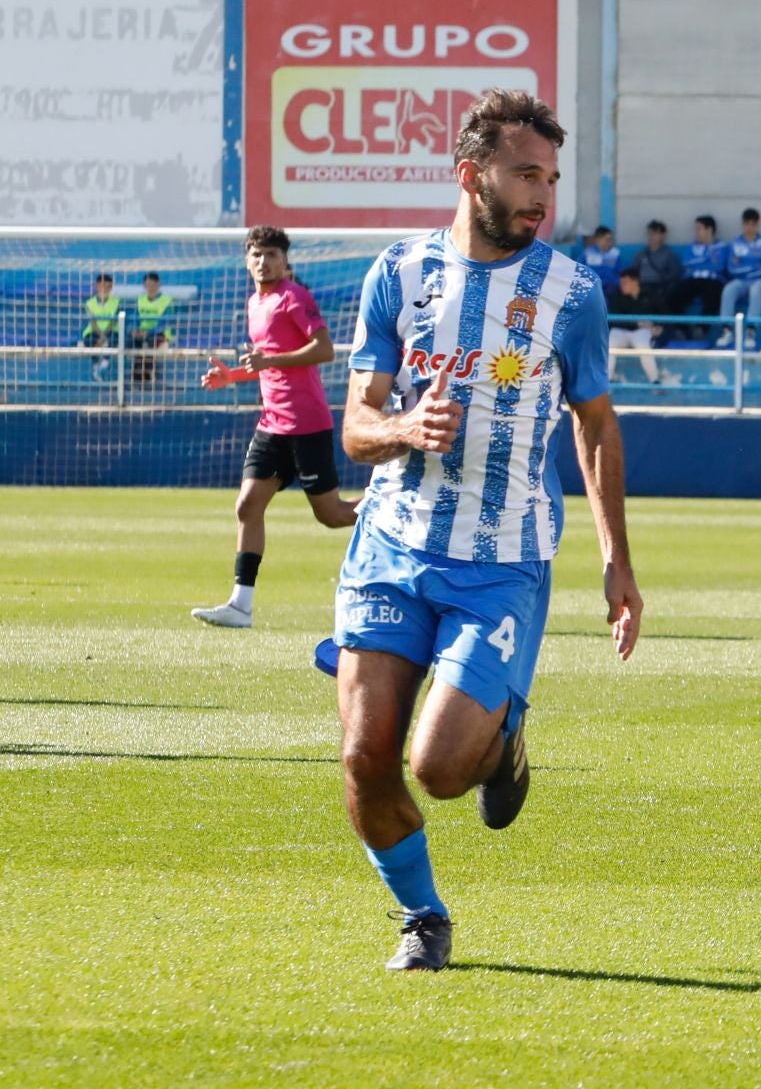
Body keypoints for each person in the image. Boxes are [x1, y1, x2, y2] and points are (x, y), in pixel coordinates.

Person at [327, 89, 642, 971]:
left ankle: (502, 742)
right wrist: (401, 430)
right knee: (364, 756)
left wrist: (616, 562)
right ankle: (421, 917)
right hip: (391, 548)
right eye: (525, 174)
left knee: (437, 769)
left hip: (502, 561)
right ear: (471, 176)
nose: (543, 196)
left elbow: (594, 424)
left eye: (550, 176)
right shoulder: (398, 273)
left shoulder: (571, 293)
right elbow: (355, 424)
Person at [191, 226, 359, 628]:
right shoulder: (255, 303)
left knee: (332, 515)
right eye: (256, 254)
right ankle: (240, 605)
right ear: (247, 260)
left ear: (285, 260)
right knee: (247, 505)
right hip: (273, 424)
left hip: (306, 423)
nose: (263, 261)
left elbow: (324, 349)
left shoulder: (294, 297)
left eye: (270, 254)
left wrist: (269, 362)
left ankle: (388, 503)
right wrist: (233, 377)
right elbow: (267, 365)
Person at [717, 208, 761, 346]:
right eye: (747, 224)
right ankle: (727, 330)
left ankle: (750, 332)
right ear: (743, 224)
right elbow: (731, 269)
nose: (749, 227)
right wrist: (754, 266)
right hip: (741, 282)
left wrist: (742, 265)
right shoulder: (735, 243)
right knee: (729, 289)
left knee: (757, 290)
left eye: (753, 224)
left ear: (757, 225)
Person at [678, 215, 726, 337]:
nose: (696, 232)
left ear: (709, 230)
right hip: (693, 280)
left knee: (714, 293)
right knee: (673, 294)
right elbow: (687, 263)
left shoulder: (721, 247)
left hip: (712, 280)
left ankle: (701, 329)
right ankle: (681, 329)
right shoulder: (691, 246)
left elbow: (719, 266)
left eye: (699, 229)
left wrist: (699, 261)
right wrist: (706, 259)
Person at [130, 271, 175, 383]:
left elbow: (166, 322)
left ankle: (148, 374)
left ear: (159, 285)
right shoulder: (140, 300)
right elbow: (134, 319)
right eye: (148, 284)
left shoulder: (167, 301)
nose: (150, 287)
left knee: (149, 342)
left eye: (153, 284)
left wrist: (149, 332)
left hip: (161, 334)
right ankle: (137, 376)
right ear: (144, 286)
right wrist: (134, 330)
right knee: (133, 341)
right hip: (142, 333)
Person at [632, 220, 683, 318]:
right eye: (650, 233)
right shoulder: (641, 254)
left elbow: (675, 275)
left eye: (655, 233)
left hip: (660, 288)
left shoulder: (669, 255)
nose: (651, 237)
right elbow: (634, 273)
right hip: (642, 287)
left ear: (662, 236)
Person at [81, 273, 119, 379]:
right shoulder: (90, 303)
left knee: (113, 339)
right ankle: (96, 365)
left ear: (111, 288)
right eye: (102, 286)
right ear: (96, 286)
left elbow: (113, 322)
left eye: (108, 286)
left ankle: (104, 364)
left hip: (110, 332)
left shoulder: (116, 302)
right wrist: (101, 336)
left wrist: (104, 336)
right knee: (89, 340)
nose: (105, 289)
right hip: (95, 332)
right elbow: (92, 322)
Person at [578, 226, 622, 299]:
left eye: (611, 240)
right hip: (591, 291)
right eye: (607, 239)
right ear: (598, 239)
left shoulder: (615, 254)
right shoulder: (587, 253)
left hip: (611, 291)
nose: (610, 242)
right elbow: (578, 271)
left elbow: (619, 273)